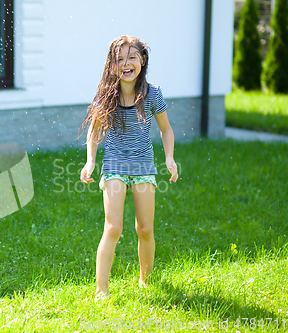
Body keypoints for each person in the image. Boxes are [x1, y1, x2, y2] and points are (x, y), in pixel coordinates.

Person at [79, 35, 178, 299]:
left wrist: (169, 157)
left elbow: (166, 130)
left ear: (142, 61)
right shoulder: (106, 94)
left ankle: (145, 281)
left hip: (144, 165)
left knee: (145, 229)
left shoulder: (152, 93)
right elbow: (94, 131)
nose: (126, 63)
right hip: (114, 164)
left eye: (131, 57)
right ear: (112, 64)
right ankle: (102, 290)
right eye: (119, 58)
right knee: (113, 227)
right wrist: (90, 160)